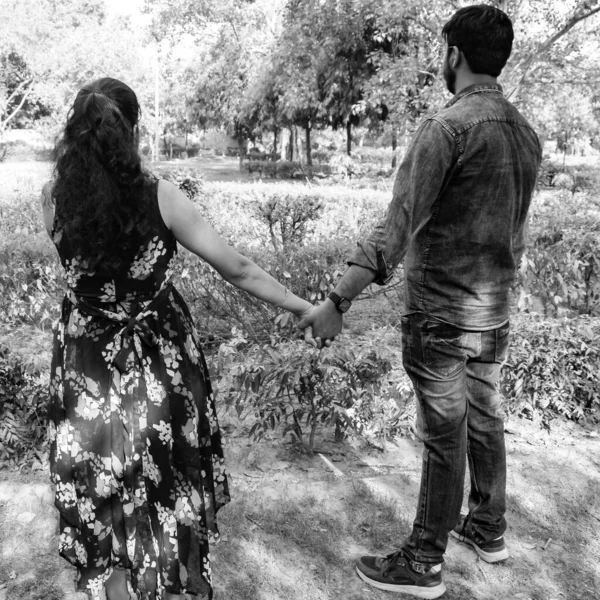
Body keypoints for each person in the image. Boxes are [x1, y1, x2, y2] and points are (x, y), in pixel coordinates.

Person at [41, 77, 318, 600]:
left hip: (86, 363)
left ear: (75, 132)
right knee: (163, 477)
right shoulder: (161, 196)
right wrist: (304, 306)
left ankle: (112, 584)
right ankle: (167, 582)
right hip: (157, 358)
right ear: (134, 130)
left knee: (101, 474)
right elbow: (236, 267)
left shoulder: (51, 198)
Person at [298, 5, 542, 598]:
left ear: (453, 54)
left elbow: (396, 227)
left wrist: (338, 300)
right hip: (494, 310)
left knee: (444, 433)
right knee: (484, 417)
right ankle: (487, 527)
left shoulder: (447, 128)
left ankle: (424, 561)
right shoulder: (524, 132)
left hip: (441, 315)